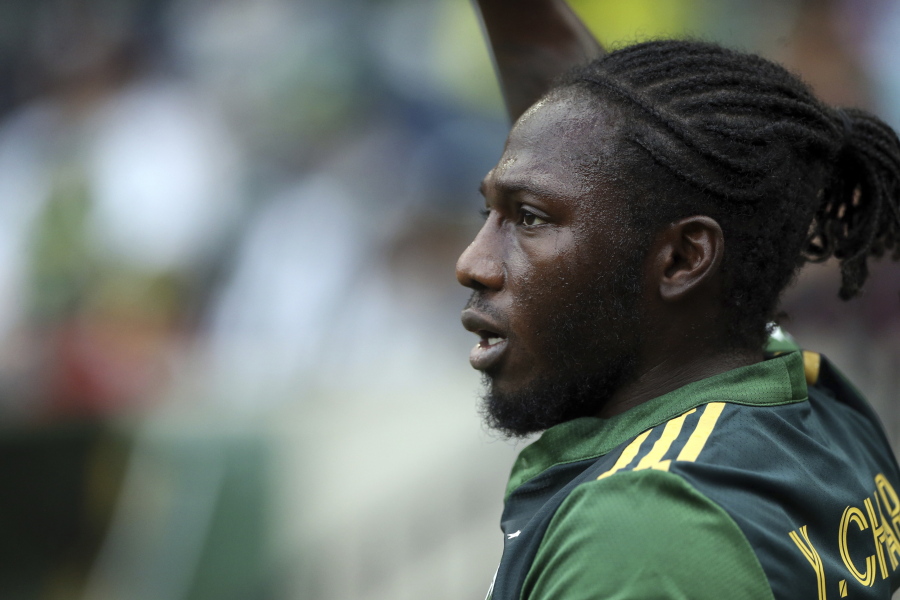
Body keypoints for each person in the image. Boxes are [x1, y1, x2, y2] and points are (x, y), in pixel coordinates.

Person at [456, 1, 900, 598]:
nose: (472, 263)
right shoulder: (803, 396)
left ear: (684, 259)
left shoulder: (637, 531)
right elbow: (611, 166)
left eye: (529, 219)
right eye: (492, 212)